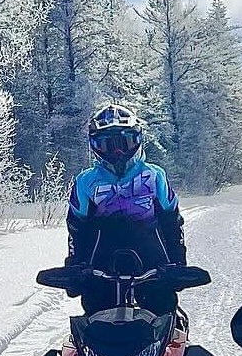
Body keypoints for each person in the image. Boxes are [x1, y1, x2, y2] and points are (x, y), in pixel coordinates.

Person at [66, 103, 187, 316]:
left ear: (138, 140)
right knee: (96, 324)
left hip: (153, 264)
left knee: (165, 318)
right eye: (108, 145)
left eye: (125, 142)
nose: (118, 152)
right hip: (100, 266)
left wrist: (178, 261)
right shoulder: (85, 182)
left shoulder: (155, 175)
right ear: (95, 146)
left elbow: (171, 221)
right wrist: (75, 267)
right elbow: (77, 230)